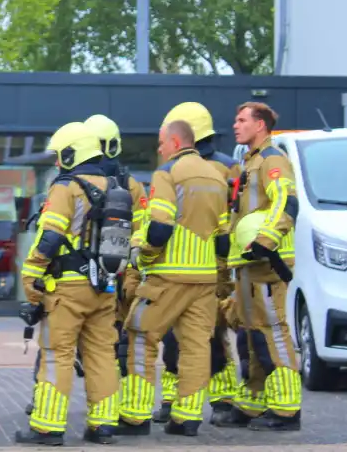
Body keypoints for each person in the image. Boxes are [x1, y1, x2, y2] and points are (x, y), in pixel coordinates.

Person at [15, 122, 135, 446]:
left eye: (59, 155)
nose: (57, 162)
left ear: (72, 153)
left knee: (57, 354)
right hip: (105, 286)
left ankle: (48, 427)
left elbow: (50, 235)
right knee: (101, 356)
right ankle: (104, 426)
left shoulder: (66, 187)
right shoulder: (115, 187)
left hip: (67, 288)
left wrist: (31, 272)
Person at [117, 120, 229, 437]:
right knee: (196, 347)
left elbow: (160, 227)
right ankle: (187, 418)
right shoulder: (217, 176)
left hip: (167, 277)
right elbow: (223, 237)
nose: (159, 149)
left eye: (161, 143)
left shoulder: (167, 174)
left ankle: (135, 417)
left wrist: (144, 255)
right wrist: (220, 275)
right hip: (204, 279)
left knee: (140, 336)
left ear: (176, 142)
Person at [153, 102, 239, 425]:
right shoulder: (225, 168)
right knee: (190, 339)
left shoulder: (208, 169)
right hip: (207, 267)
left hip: (193, 267)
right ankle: (188, 401)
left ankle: (216, 398)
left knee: (201, 338)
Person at [220, 101, 301, 432]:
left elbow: (286, 200)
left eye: (242, 120)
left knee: (272, 332)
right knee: (251, 334)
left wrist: (266, 240)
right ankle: (253, 403)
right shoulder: (249, 162)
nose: (236, 125)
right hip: (248, 263)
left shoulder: (272, 160)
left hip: (266, 262)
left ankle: (286, 410)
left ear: (261, 126)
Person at [82, 114, 148, 378]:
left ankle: (42, 395)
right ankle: (113, 395)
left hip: (83, 268)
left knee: (63, 332)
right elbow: (142, 229)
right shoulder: (130, 185)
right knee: (118, 335)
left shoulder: (76, 181)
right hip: (118, 269)